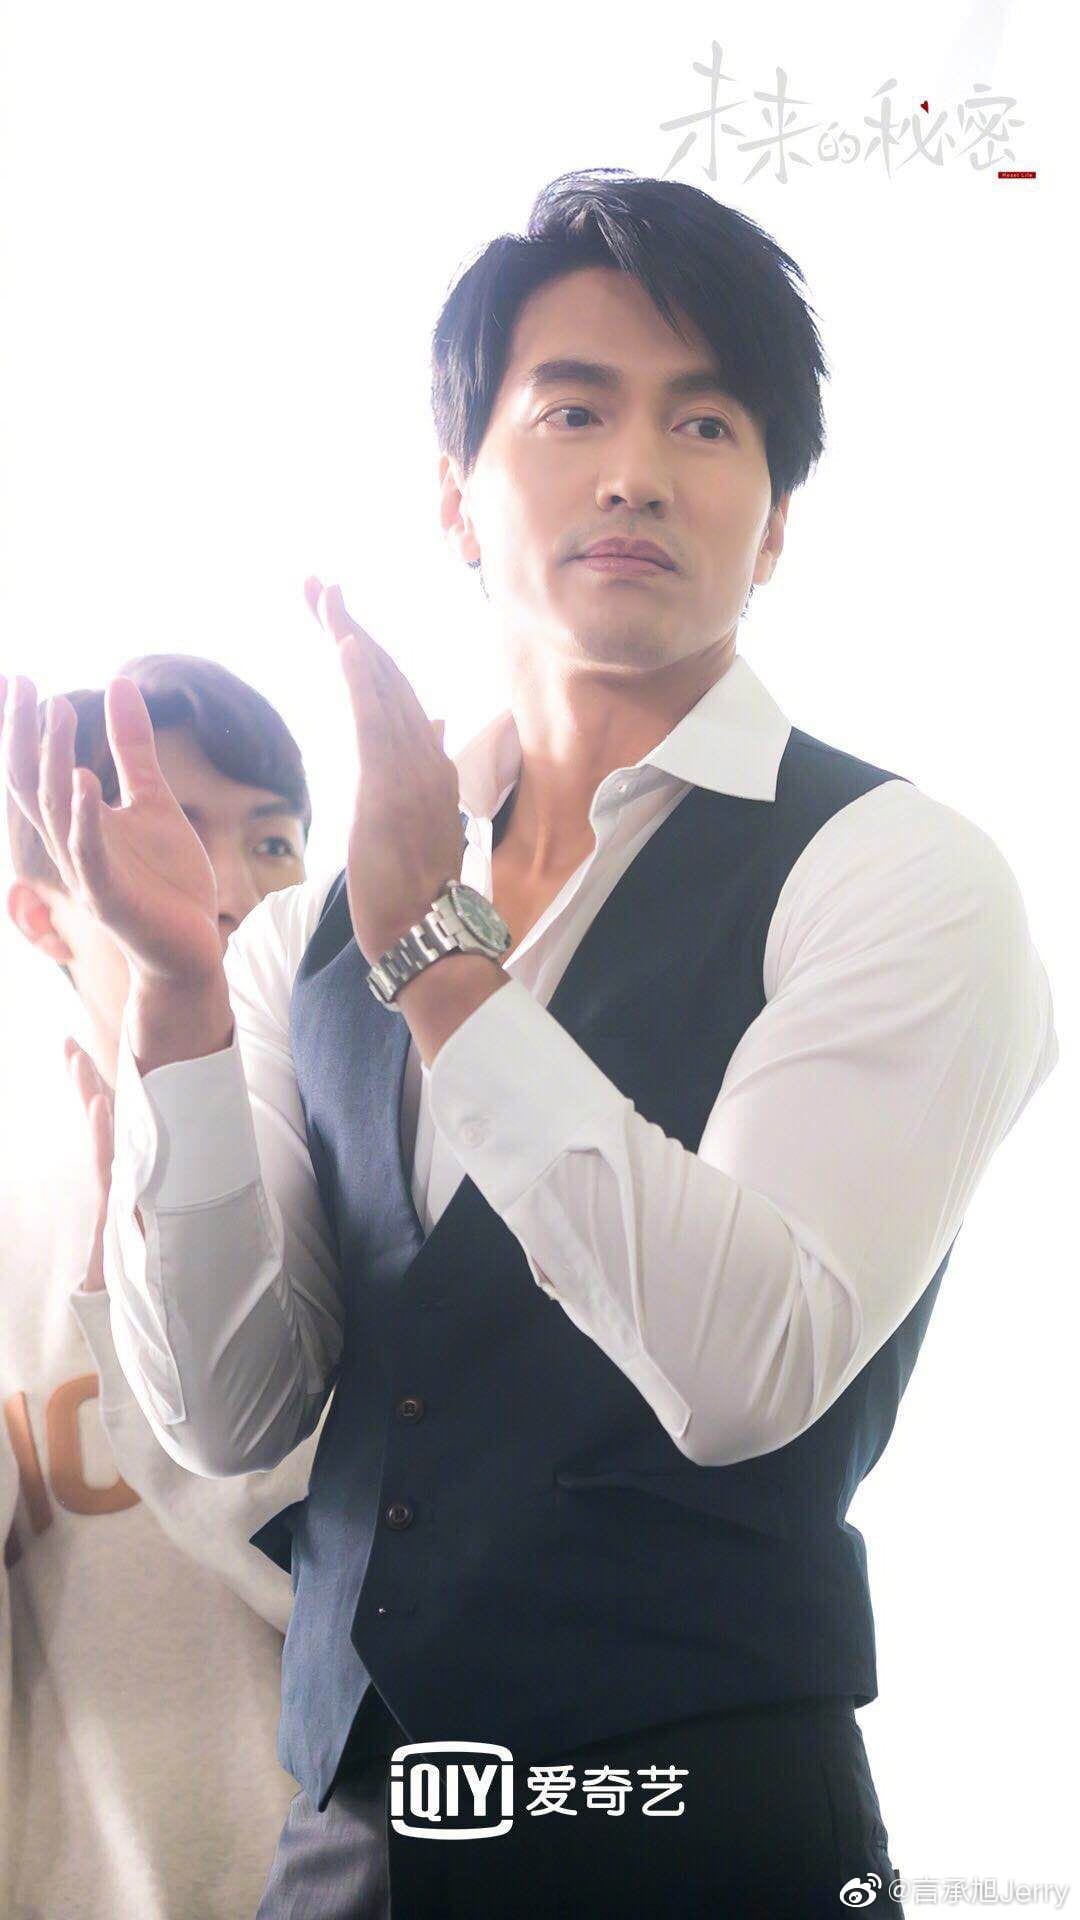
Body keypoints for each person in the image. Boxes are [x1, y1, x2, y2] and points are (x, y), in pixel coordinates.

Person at [2, 167, 1058, 1918]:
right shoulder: (291, 937)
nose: (637, 469)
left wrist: (440, 957)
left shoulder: (899, 873)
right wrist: (177, 1009)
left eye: (706, 423)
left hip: (707, 1836)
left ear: (774, 524)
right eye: (573, 410)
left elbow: (745, 1369)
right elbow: (229, 1410)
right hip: (349, 1833)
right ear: (455, 495)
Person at [0, 656, 328, 1919]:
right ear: (42, 916)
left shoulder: (376, 1186)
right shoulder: (18, 1229)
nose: (229, 889)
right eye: (172, 832)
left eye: (274, 841)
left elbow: (397, 1609)